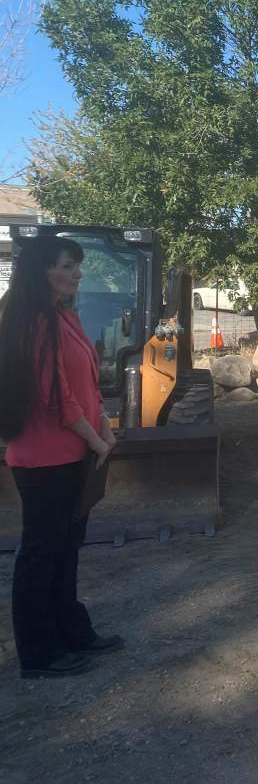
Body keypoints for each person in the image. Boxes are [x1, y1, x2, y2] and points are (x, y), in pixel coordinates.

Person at [0, 235, 123, 679]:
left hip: (75, 452)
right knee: (41, 553)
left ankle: (72, 632)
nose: (77, 273)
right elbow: (59, 399)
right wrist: (97, 441)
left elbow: (86, 384)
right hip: (46, 457)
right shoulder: (34, 322)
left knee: (66, 549)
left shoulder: (63, 317)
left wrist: (104, 427)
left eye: (76, 265)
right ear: (42, 271)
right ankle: (38, 652)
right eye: (67, 266)